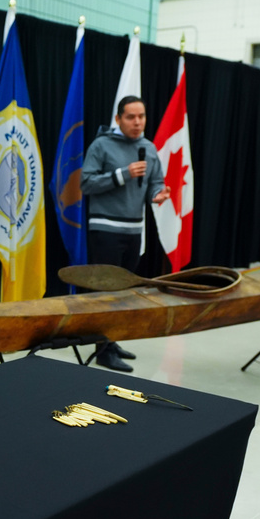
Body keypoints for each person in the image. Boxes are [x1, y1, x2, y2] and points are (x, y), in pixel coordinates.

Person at [81, 95, 170, 372]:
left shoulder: (149, 148)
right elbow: (86, 184)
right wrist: (123, 174)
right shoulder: (101, 145)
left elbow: (156, 183)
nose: (137, 122)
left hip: (134, 230)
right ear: (118, 118)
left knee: (124, 292)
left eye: (141, 116)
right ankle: (102, 351)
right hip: (105, 229)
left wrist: (158, 194)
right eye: (131, 117)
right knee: (105, 292)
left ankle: (111, 341)